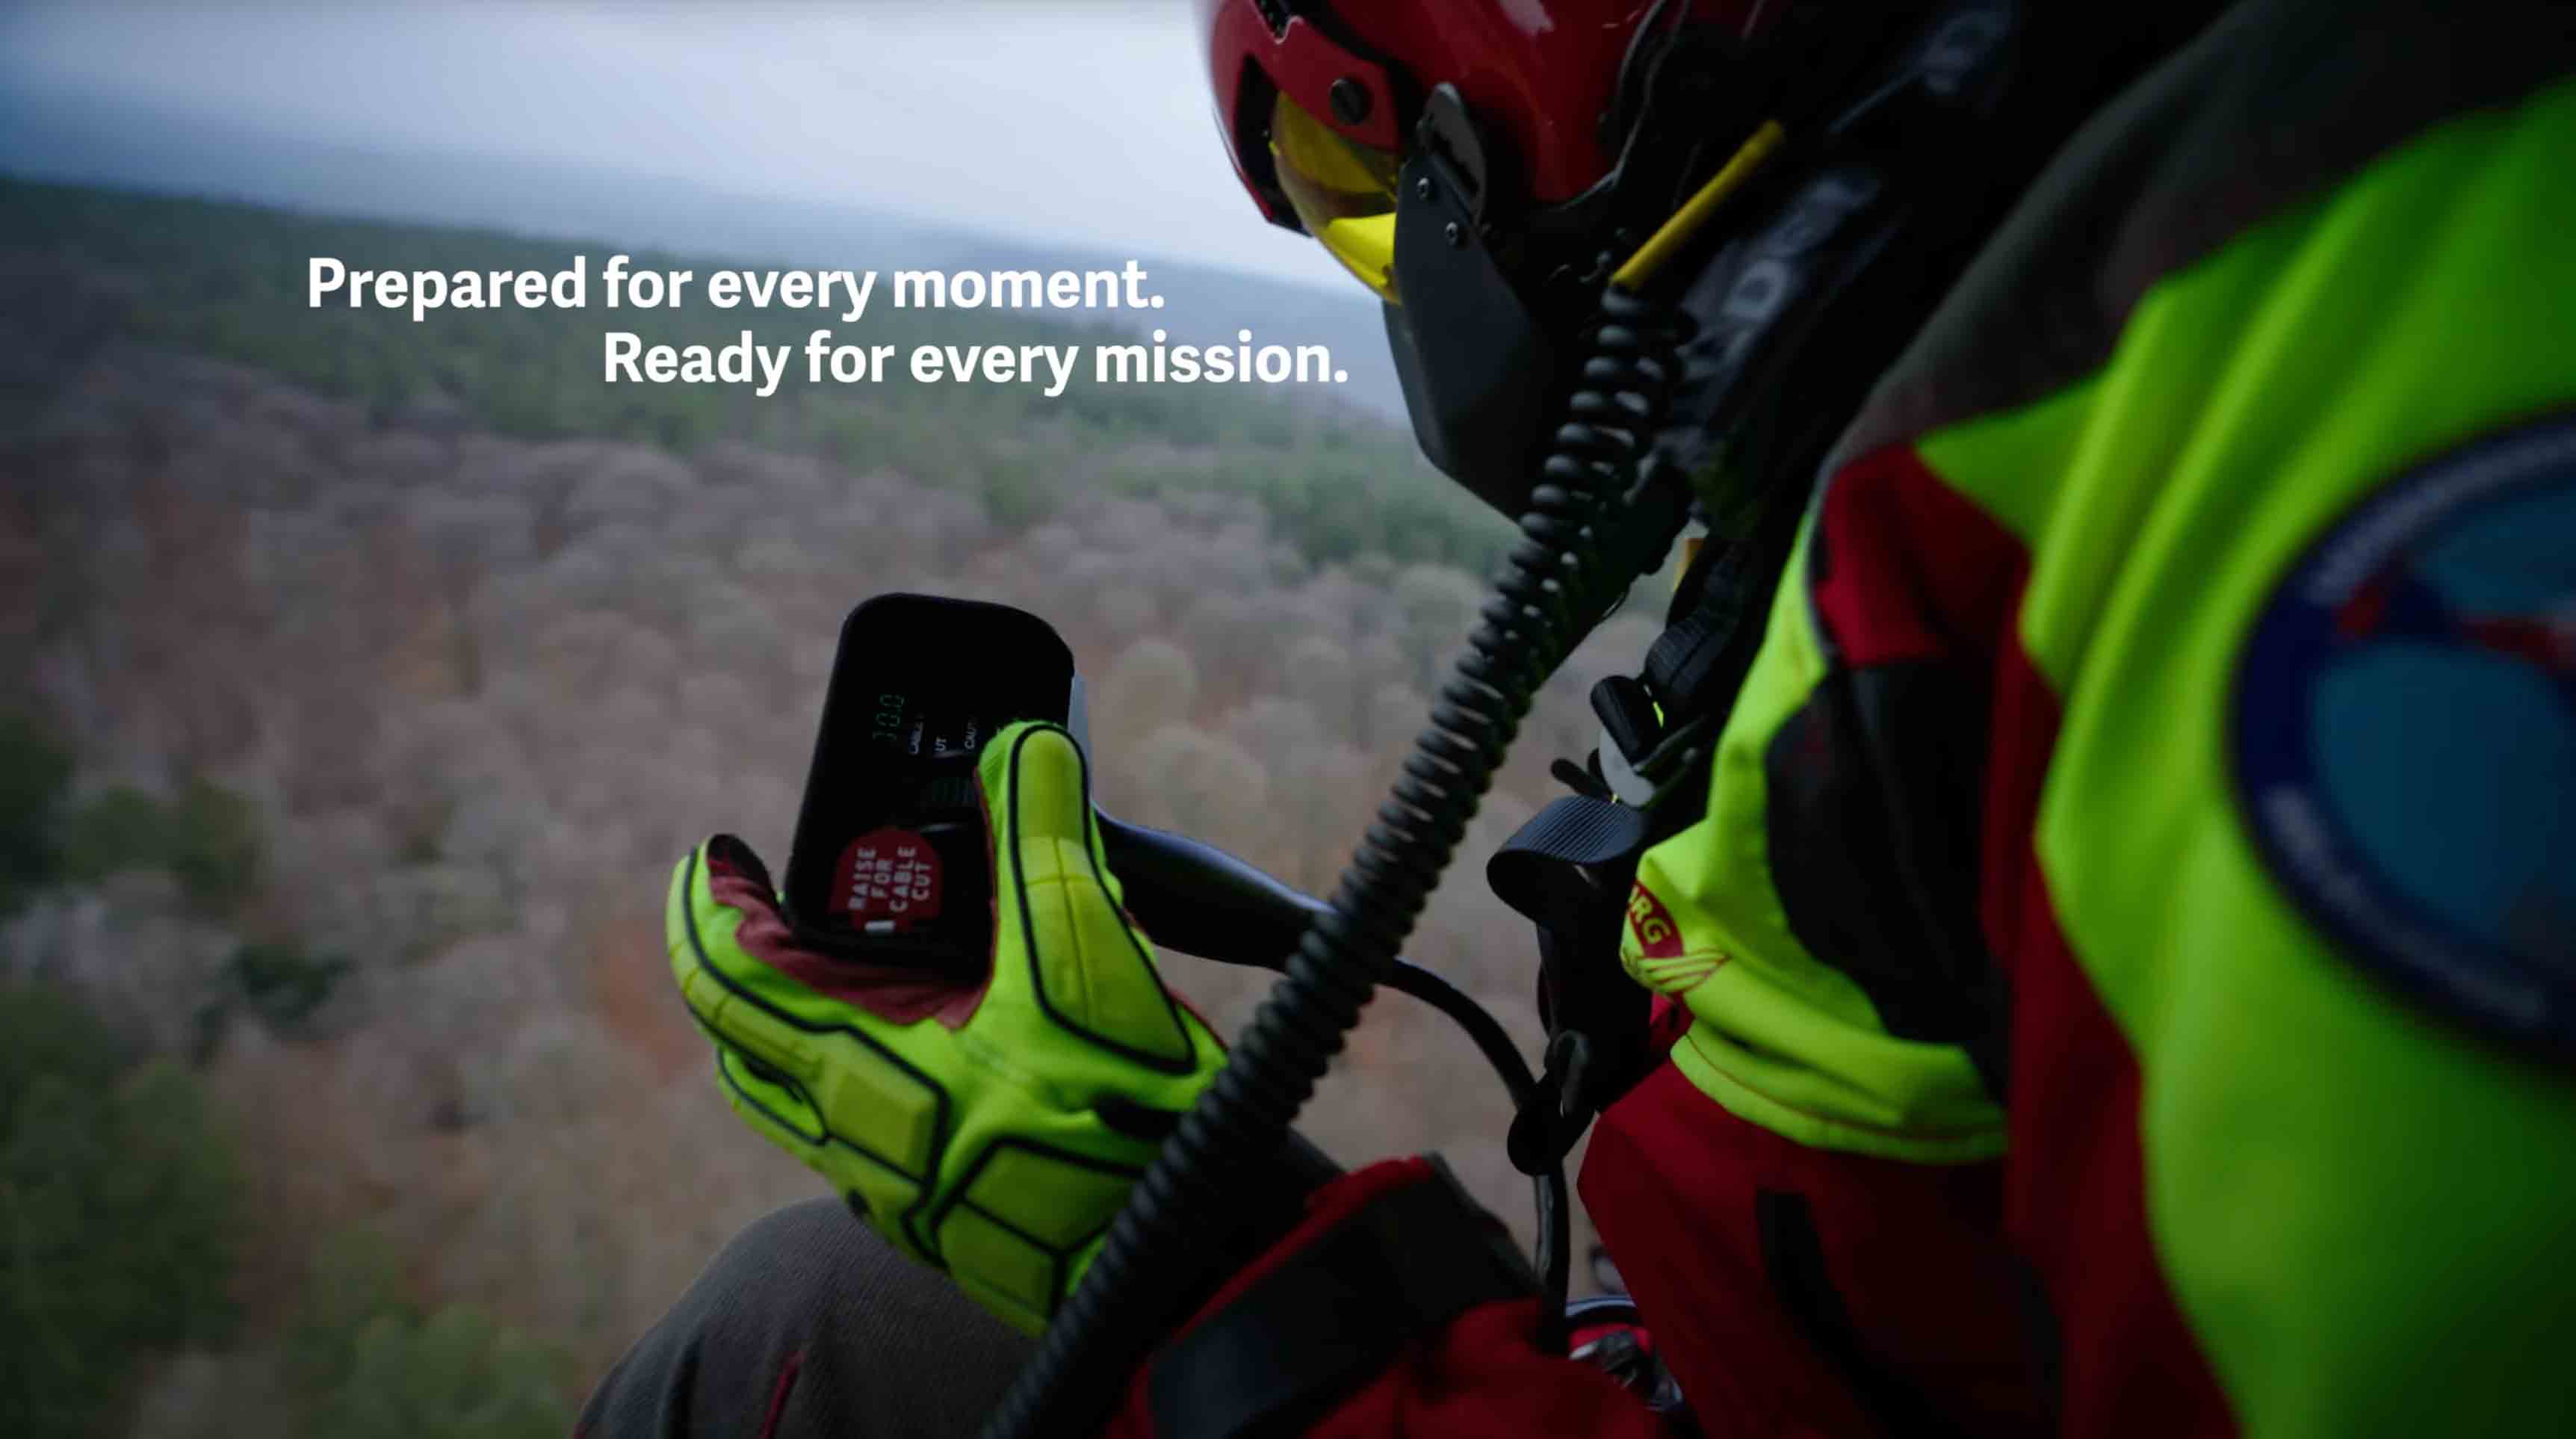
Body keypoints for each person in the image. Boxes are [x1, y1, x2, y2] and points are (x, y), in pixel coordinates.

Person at [583, 1, 2576, 1434]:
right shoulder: (1917, 438)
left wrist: (1237, 1296)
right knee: (834, 1309)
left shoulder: (2288, 294)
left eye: (1366, 184)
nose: (1408, 266)